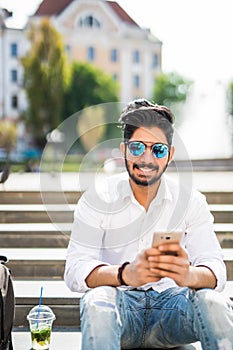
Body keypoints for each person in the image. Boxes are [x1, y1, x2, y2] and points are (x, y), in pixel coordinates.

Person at [64, 99, 233, 350]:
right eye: (137, 147)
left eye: (158, 150)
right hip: (121, 307)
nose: (146, 158)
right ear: (123, 150)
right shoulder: (97, 197)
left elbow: (216, 271)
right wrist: (125, 274)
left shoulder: (191, 201)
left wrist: (189, 275)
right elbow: (76, 269)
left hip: (172, 309)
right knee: (97, 300)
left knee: (214, 301)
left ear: (170, 154)